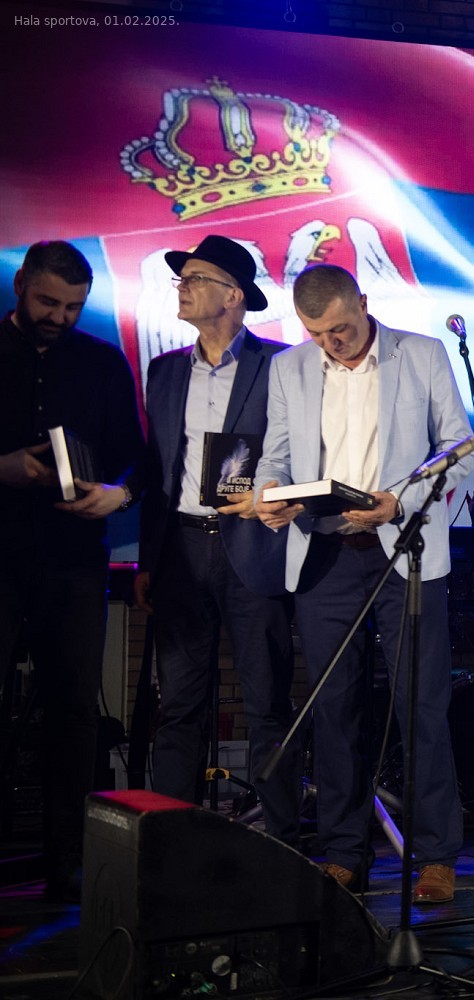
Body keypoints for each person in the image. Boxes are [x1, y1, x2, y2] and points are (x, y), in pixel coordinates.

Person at [254, 264, 473, 904]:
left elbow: (460, 446)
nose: (332, 343)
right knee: (334, 709)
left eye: (341, 330)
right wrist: (271, 493)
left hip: (403, 551)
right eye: (318, 334)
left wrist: (399, 502)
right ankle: (344, 853)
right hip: (324, 555)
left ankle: (436, 856)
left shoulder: (421, 354)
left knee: (420, 705)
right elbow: (275, 453)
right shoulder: (289, 368)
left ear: (364, 304)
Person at [134, 235, 299, 841]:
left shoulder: (279, 365)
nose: (182, 287)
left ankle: (282, 842)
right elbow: (158, 470)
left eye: (195, 278)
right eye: (181, 278)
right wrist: (149, 560)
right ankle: (168, 842)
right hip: (180, 550)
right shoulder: (164, 370)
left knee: (267, 704)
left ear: (233, 295)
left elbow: (301, 454)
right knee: (178, 705)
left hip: (252, 547)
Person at [0, 241, 144, 901]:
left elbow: (135, 458)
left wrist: (118, 494)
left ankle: (68, 864)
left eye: (72, 307)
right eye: (47, 302)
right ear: (20, 286)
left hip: (74, 561)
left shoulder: (102, 362)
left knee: (75, 712)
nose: (58, 317)